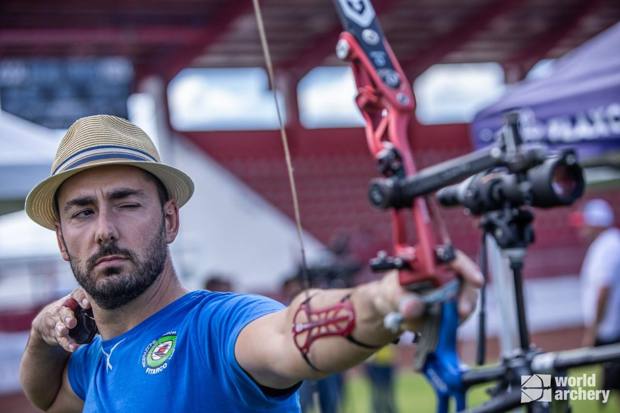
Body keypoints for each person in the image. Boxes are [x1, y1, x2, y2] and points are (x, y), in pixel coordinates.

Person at [19, 115, 483, 412]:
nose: (104, 229)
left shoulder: (218, 328)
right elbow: (43, 397)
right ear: (62, 239)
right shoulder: (96, 360)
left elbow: (287, 335)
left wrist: (387, 300)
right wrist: (44, 333)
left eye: (126, 204)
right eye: (83, 212)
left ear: (169, 219)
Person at [573, 198, 620, 405]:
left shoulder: (608, 246)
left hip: (610, 329)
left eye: (585, 222)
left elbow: (603, 289)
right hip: (609, 327)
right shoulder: (607, 244)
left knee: (607, 382)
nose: (581, 227)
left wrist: (593, 330)